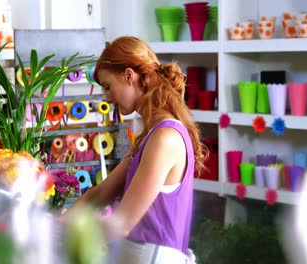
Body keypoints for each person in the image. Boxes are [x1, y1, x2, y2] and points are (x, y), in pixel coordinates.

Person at [68, 36, 208, 263]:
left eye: (107, 87)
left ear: (129, 76)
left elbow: (122, 223)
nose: (107, 97)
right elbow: (101, 193)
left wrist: (65, 243)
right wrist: (57, 226)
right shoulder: (151, 136)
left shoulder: (165, 137)